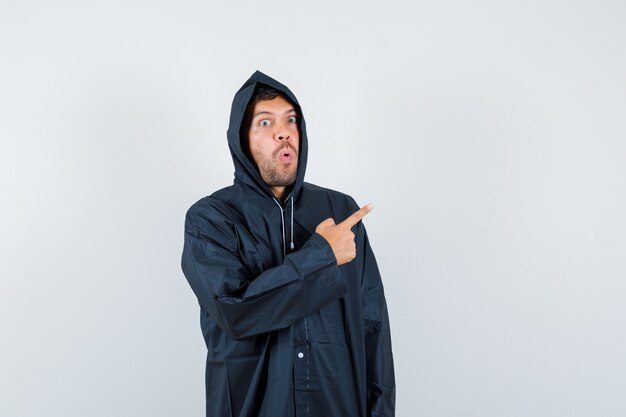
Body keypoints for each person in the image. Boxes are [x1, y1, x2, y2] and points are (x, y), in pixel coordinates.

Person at [181, 70, 395, 417]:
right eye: (265, 123)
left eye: (291, 120)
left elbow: (373, 330)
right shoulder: (211, 219)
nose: (283, 131)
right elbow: (235, 313)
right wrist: (322, 256)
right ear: (241, 139)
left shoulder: (340, 212)